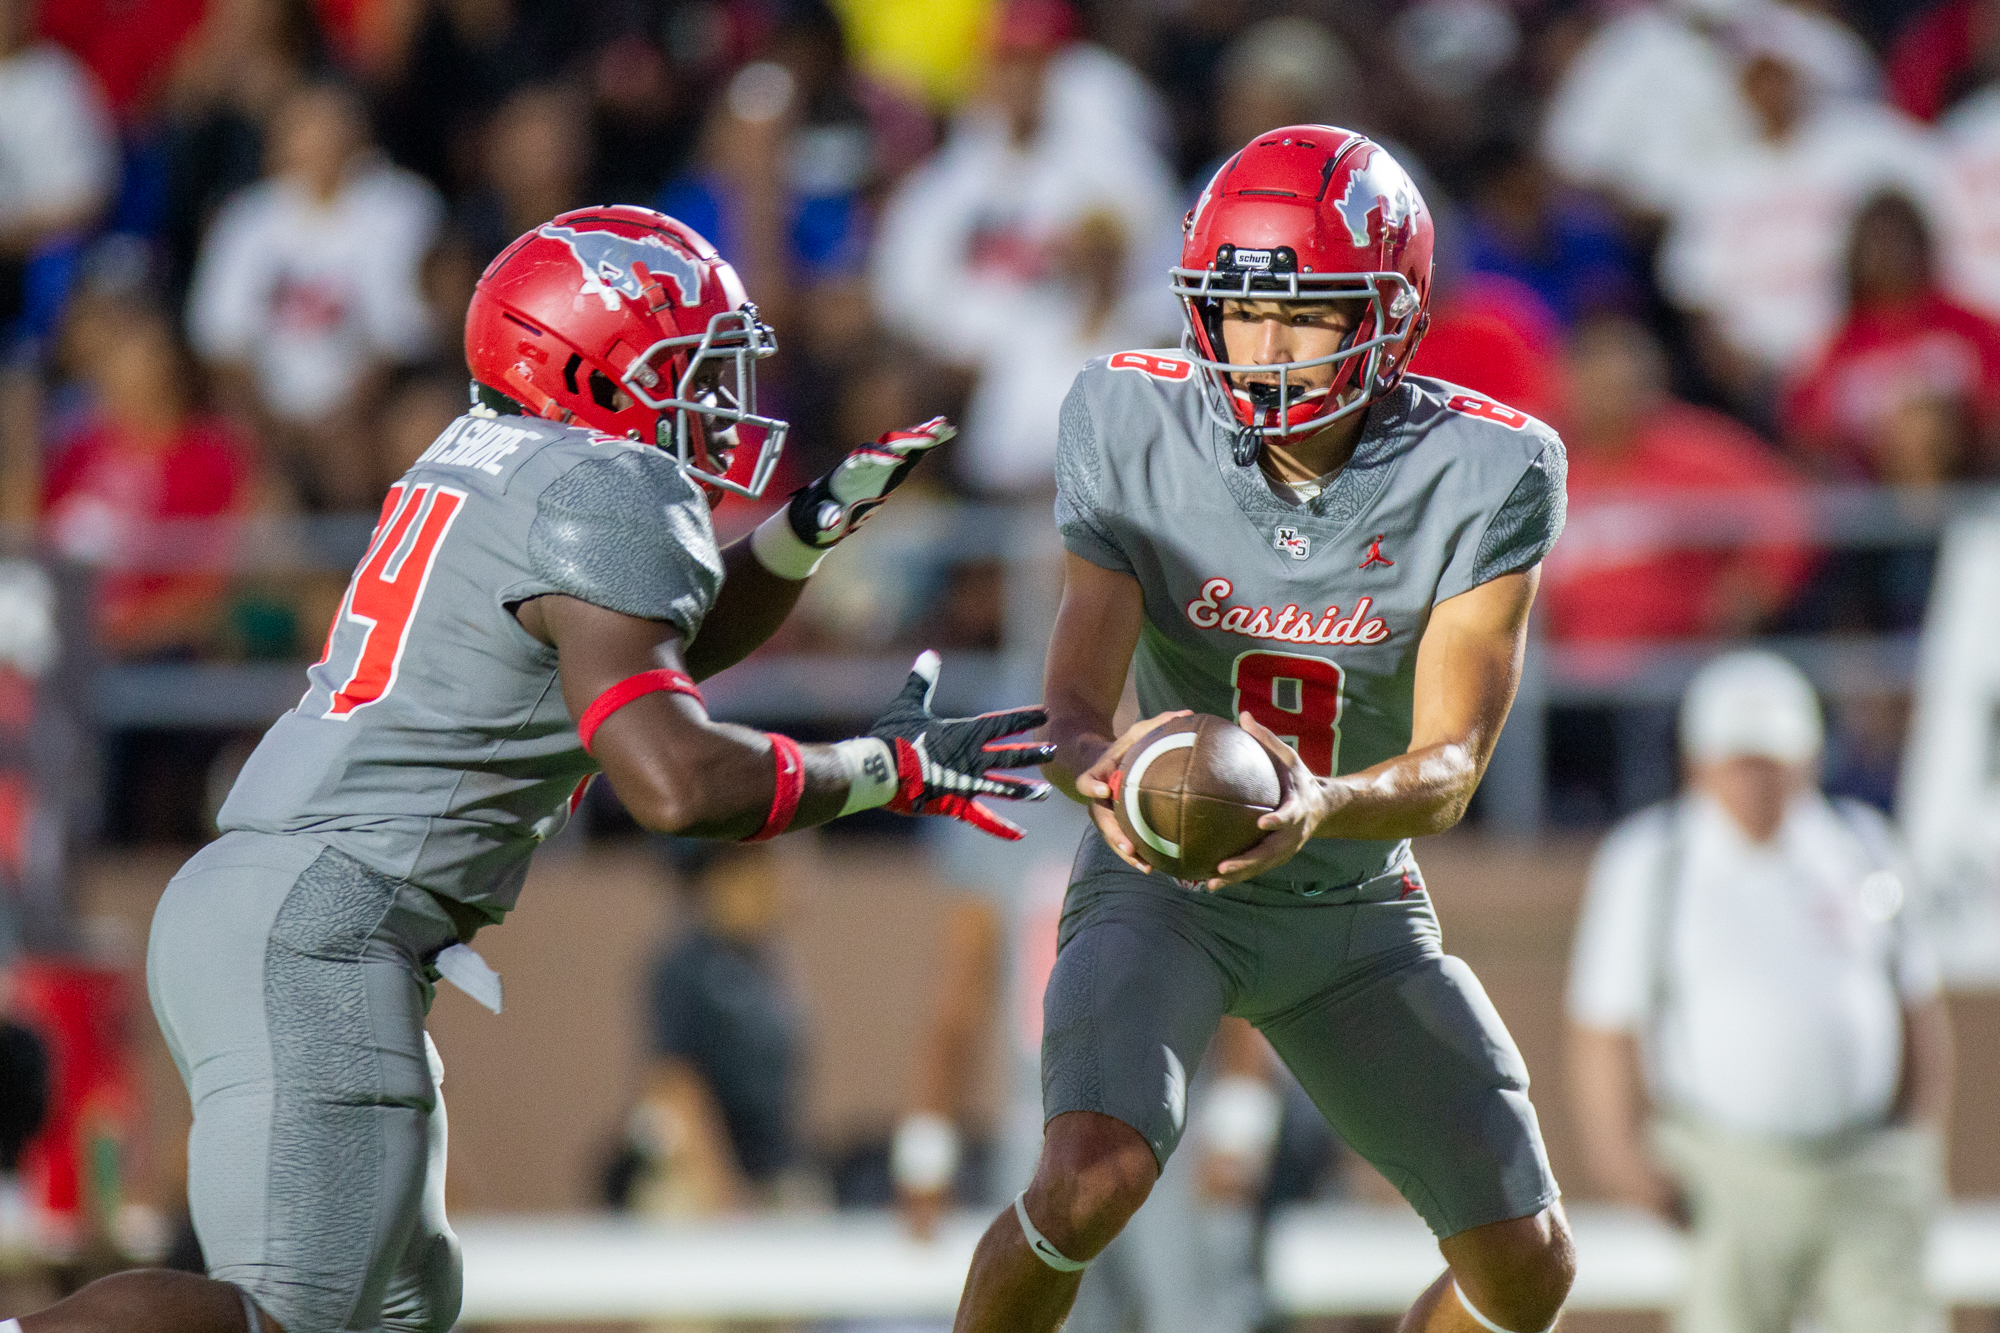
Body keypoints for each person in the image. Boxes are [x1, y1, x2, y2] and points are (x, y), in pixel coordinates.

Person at [8, 205, 1054, 1333]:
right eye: (684, 370)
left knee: (405, 1307)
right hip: (329, 917)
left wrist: (804, 530)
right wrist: (880, 767)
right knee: (290, 1318)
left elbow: (647, 646)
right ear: (586, 370)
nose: (714, 401)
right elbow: (675, 780)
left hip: (282, 902)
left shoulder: (494, 461)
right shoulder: (601, 488)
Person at [948, 127, 1575, 1333]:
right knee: (1087, 1178)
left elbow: (1449, 771)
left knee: (1528, 1268)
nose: (1264, 347)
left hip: (1351, 905)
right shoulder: (1129, 418)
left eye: (1304, 315)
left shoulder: (1488, 467)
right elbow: (1075, 706)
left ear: (1388, 316)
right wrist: (1118, 780)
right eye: (1238, 311)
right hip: (1165, 889)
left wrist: (1316, 808)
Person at [1566, 650, 1953, 1333]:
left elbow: (1916, 1001)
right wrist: (1623, 1160)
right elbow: (1604, 1025)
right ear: (1699, 763)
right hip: (1727, 1167)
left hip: (1865, 1164)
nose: (1754, 781)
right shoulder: (1653, 856)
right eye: (1737, 760)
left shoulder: (1862, 843)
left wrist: (1914, 1137)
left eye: (1770, 760)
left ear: (1805, 759)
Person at [184, 80, 443, 509]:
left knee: (412, 428)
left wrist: (345, 416)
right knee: (246, 460)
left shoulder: (400, 206)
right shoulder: (248, 220)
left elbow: (402, 334)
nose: (320, 141)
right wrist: (273, 425)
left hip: (371, 406)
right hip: (269, 413)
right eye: (305, 127)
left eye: (331, 125)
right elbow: (222, 346)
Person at [1786, 189, 2000, 481]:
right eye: (1877, 244)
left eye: (1900, 242)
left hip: (1970, 485)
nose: (1889, 256)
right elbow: (1810, 439)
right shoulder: (1835, 349)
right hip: (1871, 502)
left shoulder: (1973, 329)